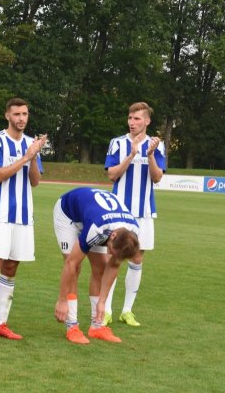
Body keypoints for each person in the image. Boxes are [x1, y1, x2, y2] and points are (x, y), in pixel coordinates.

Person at [0, 98, 46, 342]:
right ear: (7, 116)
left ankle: (0, 323)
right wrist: (25, 158)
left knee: (11, 268)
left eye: (25, 114)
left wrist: (33, 157)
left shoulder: (31, 143)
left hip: (23, 216)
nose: (21, 118)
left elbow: (34, 181)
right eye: (16, 114)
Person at [103, 102, 165, 327]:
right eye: (130, 117)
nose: (132, 122)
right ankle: (107, 310)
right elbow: (112, 175)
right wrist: (130, 156)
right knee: (113, 258)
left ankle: (127, 311)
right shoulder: (117, 143)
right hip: (119, 211)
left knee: (137, 259)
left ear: (147, 121)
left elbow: (157, 177)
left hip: (144, 212)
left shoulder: (157, 145)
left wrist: (149, 155)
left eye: (137, 118)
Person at [53, 187, 141, 344]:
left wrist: (102, 302)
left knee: (101, 266)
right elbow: (70, 264)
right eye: (113, 251)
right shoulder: (98, 228)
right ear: (112, 236)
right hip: (68, 216)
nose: (114, 256)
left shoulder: (132, 231)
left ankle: (97, 327)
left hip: (97, 218)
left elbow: (113, 265)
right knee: (76, 266)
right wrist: (62, 300)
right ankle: (72, 325)